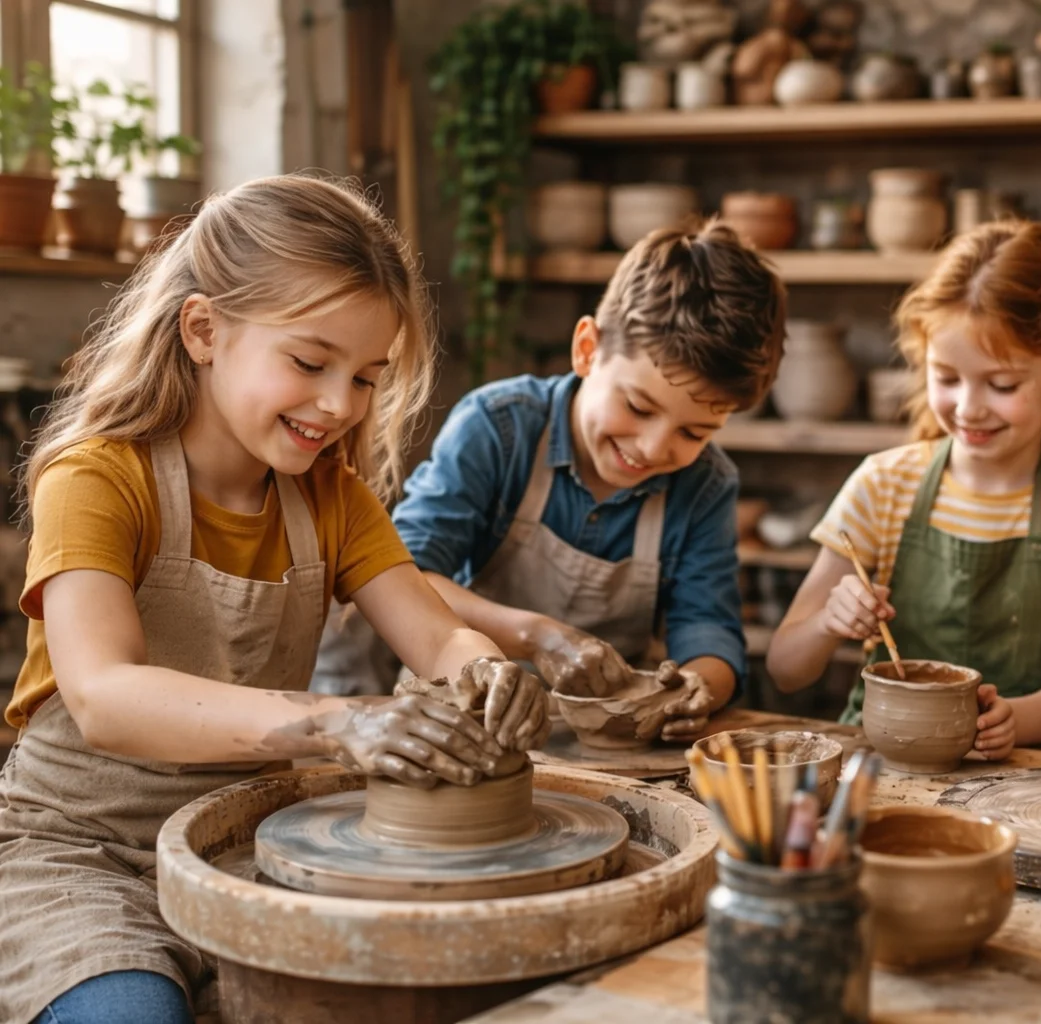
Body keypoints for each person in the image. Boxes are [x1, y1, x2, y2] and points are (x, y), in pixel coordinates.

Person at [0, 175, 548, 1024]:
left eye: (368, 376)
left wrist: (489, 676)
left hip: (245, 845)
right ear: (204, 329)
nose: (339, 404)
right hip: (79, 856)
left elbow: (439, 642)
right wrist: (338, 722)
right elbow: (103, 695)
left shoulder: (333, 499)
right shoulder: (100, 479)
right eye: (309, 362)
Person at [372, 220, 787, 741]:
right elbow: (402, 581)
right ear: (587, 349)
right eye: (638, 406)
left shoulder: (704, 483)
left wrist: (696, 687)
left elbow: (709, 629)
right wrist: (537, 636)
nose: (653, 447)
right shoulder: (499, 429)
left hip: (603, 736)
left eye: (695, 431)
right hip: (461, 717)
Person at [768, 221, 1041, 752]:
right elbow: (785, 670)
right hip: (880, 761)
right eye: (947, 378)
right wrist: (826, 623)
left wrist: (1015, 718)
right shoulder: (882, 486)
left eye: (1002, 384)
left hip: (1019, 768)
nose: (969, 407)